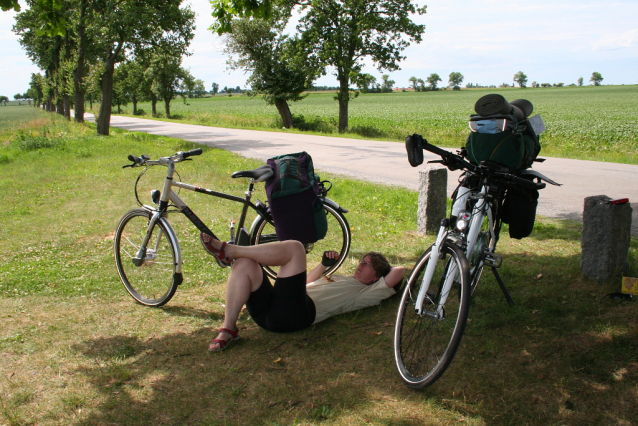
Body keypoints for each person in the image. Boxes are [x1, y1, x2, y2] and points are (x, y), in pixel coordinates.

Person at [200, 235, 405, 352]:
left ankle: (231, 251)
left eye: (368, 264)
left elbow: (399, 272)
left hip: (297, 316)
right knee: (245, 264)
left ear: (376, 277)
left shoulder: (367, 292)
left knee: (296, 248)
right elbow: (303, 284)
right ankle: (228, 330)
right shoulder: (342, 278)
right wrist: (324, 266)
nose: (361, 264)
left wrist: (386, 272)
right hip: (271, 311)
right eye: (362, 260)